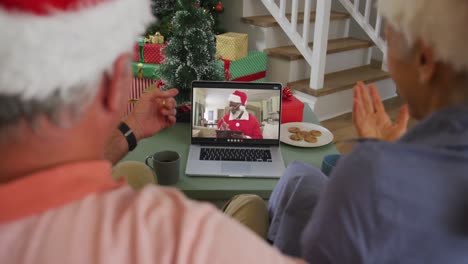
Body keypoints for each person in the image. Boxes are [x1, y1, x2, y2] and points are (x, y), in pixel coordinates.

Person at [0, 0, 304, 263]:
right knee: (251, 204)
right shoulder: (186, 238)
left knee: (135, 170)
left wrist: (131, 129)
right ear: (112, 83)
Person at [268, 0, 468, 262]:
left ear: (424, 60)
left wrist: (378, 164)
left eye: (388, 40)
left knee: (261, 199)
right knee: (301, 176)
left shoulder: (371, 174)